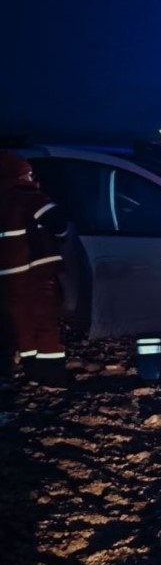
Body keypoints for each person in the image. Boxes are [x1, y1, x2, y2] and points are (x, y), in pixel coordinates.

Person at [0, 150, 71, 390]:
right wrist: (61, 236)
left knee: (22, 322)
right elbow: (57, 221)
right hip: (35, 269)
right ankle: (52, 376)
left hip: (9, 275)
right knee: (45, 320)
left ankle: (32, 370)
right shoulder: (28, 197)